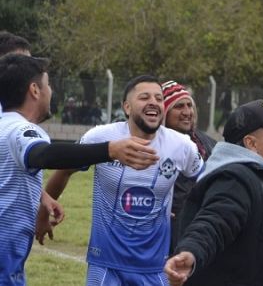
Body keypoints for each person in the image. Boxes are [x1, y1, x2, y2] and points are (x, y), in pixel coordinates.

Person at [0, 55, 158, 285]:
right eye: (48, 84)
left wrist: (40, 197)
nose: (51, 91)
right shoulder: (20, 129)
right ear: (35, 90)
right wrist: (110, 150)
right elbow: (42, 154)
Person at [42, 75, 203, 285]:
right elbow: (64, 170)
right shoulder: (100, 137)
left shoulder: (182, 146)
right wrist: (43, 213)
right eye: (144, 97)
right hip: (106, 264)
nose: (153, 102)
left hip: (155, 267)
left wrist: (186, 216)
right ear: (127, 107)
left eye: (158, 98)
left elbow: (205, 183)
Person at [163, 99, 263, 286]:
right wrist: (191, 252)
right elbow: (214, 222)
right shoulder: (235, 179)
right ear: (251, 143)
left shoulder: (260, 179)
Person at [160, 80, 217, 251]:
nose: (187, 112)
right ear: (164, 112)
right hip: (168, 231)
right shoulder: (153, 145)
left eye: (189, 106)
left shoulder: (209, 144)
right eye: (178, 107)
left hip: (202, 228)